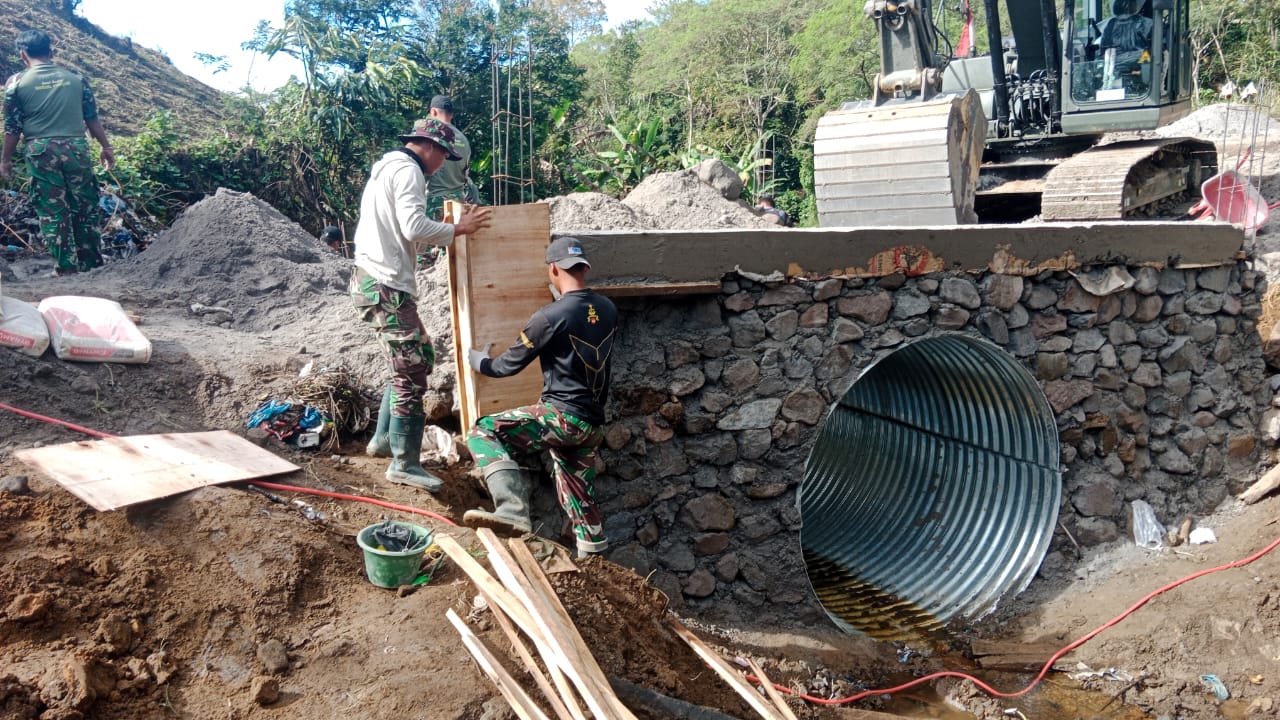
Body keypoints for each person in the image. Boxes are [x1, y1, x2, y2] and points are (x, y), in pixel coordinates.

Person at [352, 117, 491, 492]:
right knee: (411, 370)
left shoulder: (390, 167)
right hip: (385, 284)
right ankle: (404, 463)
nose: (442, 163)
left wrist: (441, 226)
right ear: (428, 147)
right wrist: (458, 229)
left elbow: (407, 226)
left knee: (416, 358)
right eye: (443, 155)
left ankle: (384, 440)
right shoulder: (409, 172)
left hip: (376, 279)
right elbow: (413, 227)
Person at [462, 236, 618, 558]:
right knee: (578, 492)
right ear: (584, 267)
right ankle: (594, 559)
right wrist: (560, 304)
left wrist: (480, 362)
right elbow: (583, 321)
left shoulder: (548, 317)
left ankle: (512, 513)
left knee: (482, 431)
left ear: (552, 269)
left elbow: (508, 366)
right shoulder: (608, 309)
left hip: (561, 418)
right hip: (591, 425)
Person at [0, 29, 114, 276]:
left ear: (23, 55)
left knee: (52, 211)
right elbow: (92, 117)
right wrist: (106, 147)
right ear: (51, 52)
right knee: (85, 205)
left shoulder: (16, 83)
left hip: (41, 151)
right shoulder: (76, 77)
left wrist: (5, 160)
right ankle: (93, 266)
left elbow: (12, 128)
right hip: (76, 148)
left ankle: (66, 269)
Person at [424, 94, 478, 219]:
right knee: (457, 237)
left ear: (433, 112)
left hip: (436, 202)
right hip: (458, 202)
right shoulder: (463, 140)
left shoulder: (431, 135)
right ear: (451, 114)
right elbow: (465, 173)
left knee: (435, 238)